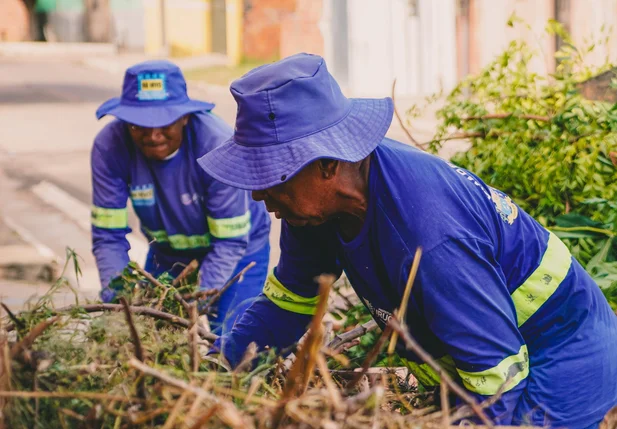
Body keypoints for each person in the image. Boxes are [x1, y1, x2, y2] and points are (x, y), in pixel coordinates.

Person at [196, 53, 617, 427]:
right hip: (483, 358)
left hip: (561, 353)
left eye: (270, 176)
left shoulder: (428, 235)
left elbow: (496, 382)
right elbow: (286, 307)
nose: (257, 193)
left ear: (326, 164)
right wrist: (216, 373)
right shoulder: (315, 209)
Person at [91, 60, 271, 334]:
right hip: (168, 253)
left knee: (229, 340)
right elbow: (108, 236)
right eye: (139, 125)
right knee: (150, 331)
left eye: (164, 123)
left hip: (239, 251)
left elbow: (230, 241)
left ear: (185, 117)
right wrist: (120, 300)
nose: (153, 136)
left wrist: (193, 306)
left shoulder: (215, 145)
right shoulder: (110, 146)